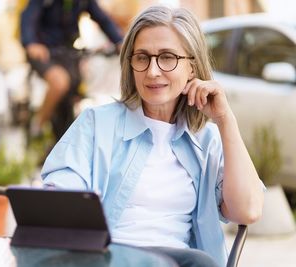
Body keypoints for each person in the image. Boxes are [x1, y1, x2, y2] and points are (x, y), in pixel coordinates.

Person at [40, 5, 264, 267]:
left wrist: (226, 120)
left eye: (167, 57)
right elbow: (60, 198)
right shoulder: (96, 124)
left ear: (192, 67)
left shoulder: (207, 140)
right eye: (142, 57)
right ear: (131, 63)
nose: (152, 71)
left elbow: (247, 210)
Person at [20, 0, 123, 139]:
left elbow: (103, 19)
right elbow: (28, 18)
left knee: (76, 89)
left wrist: (120, 41)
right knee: (59, 83)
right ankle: (37, 126)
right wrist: (31, 43)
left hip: (68, 52)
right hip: (44, 53)